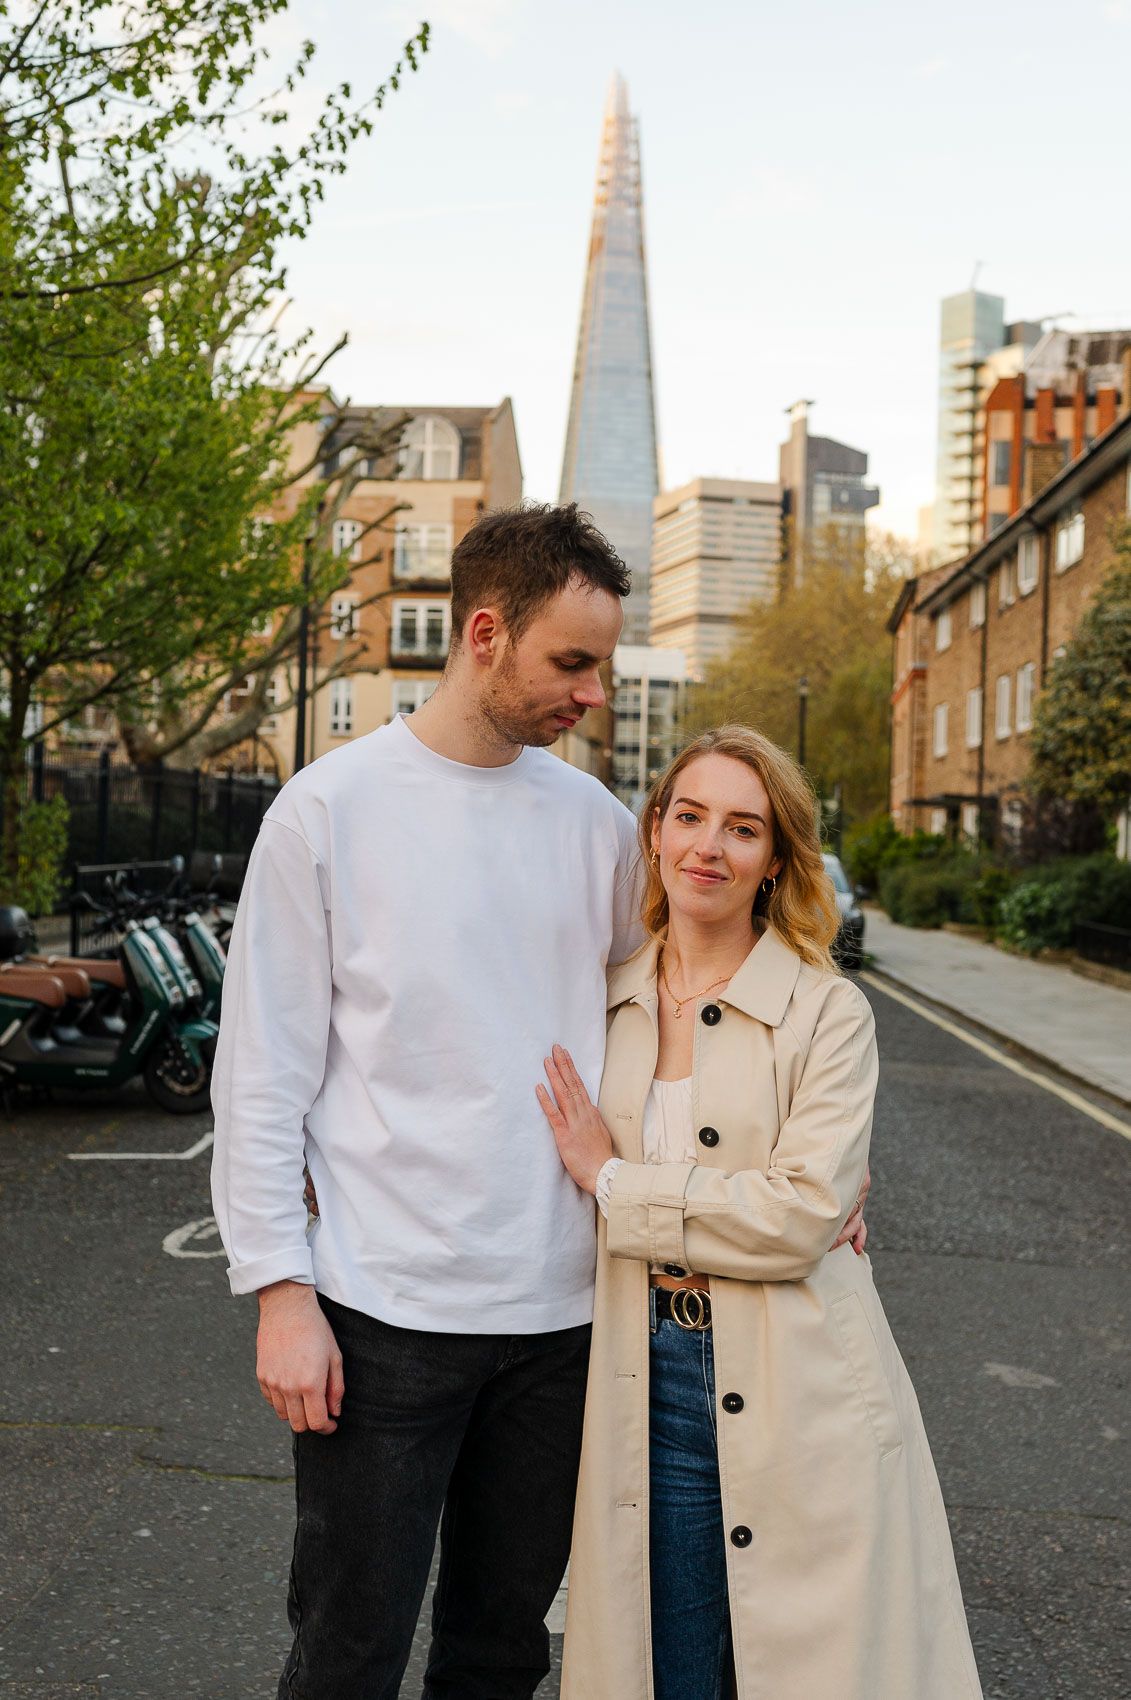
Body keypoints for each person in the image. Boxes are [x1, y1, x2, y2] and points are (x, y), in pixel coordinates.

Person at [210, 503, 648, 1699]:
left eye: (603, 664)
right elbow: (262, 1074)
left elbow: (680, 1021)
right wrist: (280, 1292)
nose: (593, 692)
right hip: (381, 1314)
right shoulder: (328, 810)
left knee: (501, 1652)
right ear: (486, 634)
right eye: (573, 661)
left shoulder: (603, 832)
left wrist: (808, 1161)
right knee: (348, 1649)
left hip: (563, 1317)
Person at [537, 725, 983, 1700]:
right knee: (672, 1667)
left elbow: (799, 1213)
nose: (710, 845)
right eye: (689, 815)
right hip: (641, 1372)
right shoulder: (600, 1000)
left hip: (801, 1381)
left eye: (744, 828)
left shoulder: (827, 1012)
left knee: (807, 1666)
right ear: (654, 829)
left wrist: (614, 1183)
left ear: (777, 856)